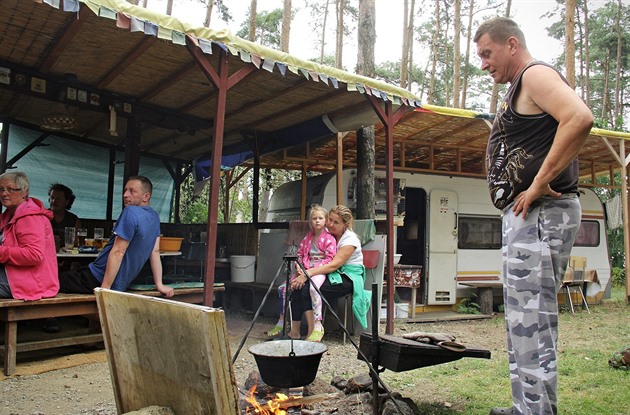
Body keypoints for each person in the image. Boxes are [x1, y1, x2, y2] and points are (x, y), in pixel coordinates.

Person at [474, 17, 593, 415]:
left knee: (533, 323)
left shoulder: (534, 74)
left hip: (541, 212)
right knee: (524, 322)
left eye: (487, 53)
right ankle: (527, 406)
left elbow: (579, 117)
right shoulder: (519, 85)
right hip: (529, 217)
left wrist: (540, 182)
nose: (484, 63)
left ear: (511, 44)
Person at [58, 176, 174, 298]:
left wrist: (105, 288)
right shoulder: (154, 217)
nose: (125, 194)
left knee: (53, 280)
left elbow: (118, 252)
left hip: (96, 278)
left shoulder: (130, 212)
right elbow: (155, 251)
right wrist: (159, 284)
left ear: (146, 196)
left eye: (132, 191)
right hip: (119, 284)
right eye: (125, 190)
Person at [289, 205, 371, 341]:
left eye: (336, 222)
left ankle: (314, 331)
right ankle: (295, 332)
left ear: (346, 224)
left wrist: (307, 274)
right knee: (297, 287)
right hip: (332, 273)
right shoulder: (328, 234)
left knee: (307, 289)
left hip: (348, 278)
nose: (331, 224)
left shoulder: (350, 240)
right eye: (330, 220)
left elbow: (333, 265)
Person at [266, 205, 337, 342]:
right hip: (304, 269)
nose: (317, 221)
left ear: (326, 220)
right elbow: (299, 254)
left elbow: (330, 259)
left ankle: (317, 323)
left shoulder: (329, 239)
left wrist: (311, 270)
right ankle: (282, 321)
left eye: (320, 218)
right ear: (310, 221)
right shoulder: (308, 238)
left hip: (318, 271)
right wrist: (298, 266)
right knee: (283, 288)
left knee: (312, 288)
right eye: (314, 218)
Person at [0, 172, 59, 300]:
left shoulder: (30, 217)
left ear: (24, 191)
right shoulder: (7, 216)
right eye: (1, 189)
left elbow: (34, 254)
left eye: (10, 189)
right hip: (13, 276)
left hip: (30, 283)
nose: (4, 193)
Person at [48, 183, 82, 249]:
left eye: (58, 199)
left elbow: (77, 244)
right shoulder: (43, 217)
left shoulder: (74, 220)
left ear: (67, 202)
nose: (54, 201)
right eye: (52, 198)